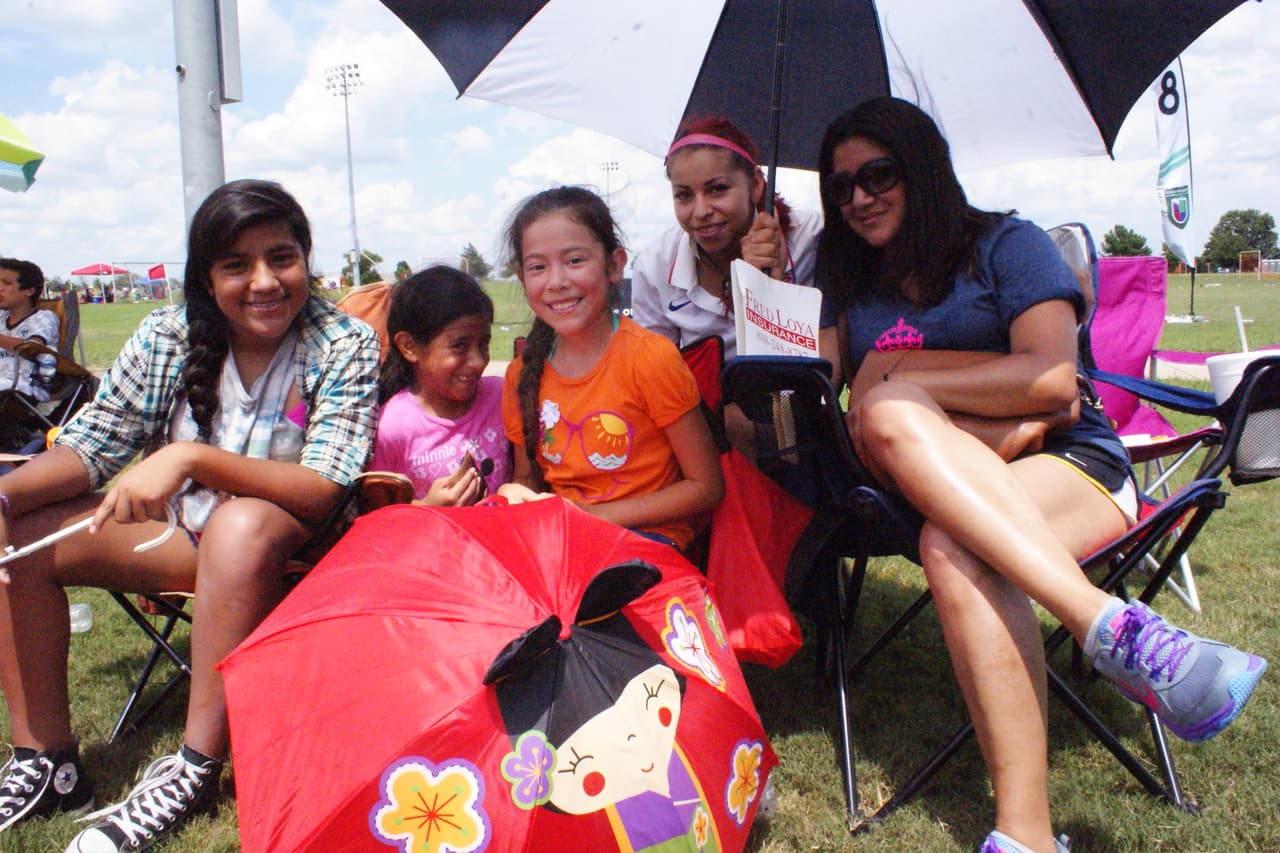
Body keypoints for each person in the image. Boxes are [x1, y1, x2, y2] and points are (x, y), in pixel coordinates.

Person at [814, 97, 1267, 853]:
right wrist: (768, 279)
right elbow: (831, 397)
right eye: (840, 186)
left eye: (878, 174)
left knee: (943, 525)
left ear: (922, 169)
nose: (858, 197)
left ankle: (1022, 833)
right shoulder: (846, 282)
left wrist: (904, 375)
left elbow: (1054, 384)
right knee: (894, 426)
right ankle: (1109, 628)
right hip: (944, 475)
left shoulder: (1007, 246)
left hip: (1069, 466)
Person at [0, 179, 380, 852]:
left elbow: (323, 488)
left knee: (240, 525)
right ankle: (47, 762)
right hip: (184, 541)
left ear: (306, 259)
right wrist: (6, 495)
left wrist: (190, 456)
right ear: (206, 277)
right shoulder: (168, 335)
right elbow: (93, 445)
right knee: (18, 535)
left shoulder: (342, 341)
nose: (264, 281)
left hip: (296, 557)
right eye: (237, 265)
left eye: (282, 258)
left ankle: (195, 768)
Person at [497, 186, 723, 552]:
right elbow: (528, 479)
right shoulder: (522, 374)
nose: (557, 281)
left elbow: (706, 487)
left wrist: (591, 516)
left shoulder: (649, 358)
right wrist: (516, 495)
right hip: (563, 540)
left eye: (574, 261)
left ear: (614, 265)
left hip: (647, 544)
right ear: (523, 279)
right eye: (538, 267)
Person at [630, 116, 824, 360]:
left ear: (755, 185)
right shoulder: (654, 266)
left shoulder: (810, 238)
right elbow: (655, 371)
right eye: (684, 195)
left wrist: (771, 287)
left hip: (792, 382)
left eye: (718, 189)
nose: (701, 211)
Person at [370, 265, 510, 504]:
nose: (478, 362)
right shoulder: (392, 427)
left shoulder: (502, 397)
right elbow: (378, 511)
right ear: (409, 347)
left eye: (484, 344)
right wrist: (427, 507)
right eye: (460, 346)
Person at [0, 258, 60, 402]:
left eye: (7, 283)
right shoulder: (2, 317)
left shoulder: (44, 318)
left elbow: (33, 347)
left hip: (25, 388)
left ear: (29, 290)